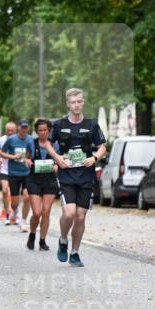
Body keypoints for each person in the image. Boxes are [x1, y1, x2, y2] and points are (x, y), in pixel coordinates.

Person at [48, 88, 107, 267]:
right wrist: (57, 158)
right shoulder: (59, 124)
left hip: (86, 176)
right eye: (73, 102)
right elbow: (48, 144)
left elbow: (102, 147)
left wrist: (94, 158)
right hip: (66, 174)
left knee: (80, 217)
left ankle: (74, 252)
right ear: (68, 104)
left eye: (79, 101)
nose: (76, 105)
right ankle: (63, 239)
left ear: (83, 102)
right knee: (69, 213)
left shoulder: (92, 124)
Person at [24, 118, 58, 251]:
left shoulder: (55, 145)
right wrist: (27, 161)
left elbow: (61, 160)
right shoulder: (31, 143)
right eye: (40, 130)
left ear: (49, 131)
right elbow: (26, 157)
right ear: (36, 131)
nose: (43, 132)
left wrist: (56, 166)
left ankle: (42, 240)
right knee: (37, 213)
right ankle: (32, 234)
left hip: (50, 180)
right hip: (34, 180)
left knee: (46, 212)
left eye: (45, 130)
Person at [0, 119, 33, 230]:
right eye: (22, 127)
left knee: (27, 197)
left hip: (27, 173)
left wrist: (30, 159)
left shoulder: (31, 139)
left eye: (26, 127)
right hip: (13, 173)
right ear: (18, 128)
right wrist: (13, 157)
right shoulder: (12, 139)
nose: (24, 129)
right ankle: (15, 210)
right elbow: (1, 153)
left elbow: (34, 153)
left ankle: (23, 221)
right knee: (14, 202)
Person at [0, 122, 16, 222]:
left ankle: (14, 213)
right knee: (4, 190)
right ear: (5, 130)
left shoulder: (18, 140)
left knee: (15, 193)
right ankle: (7, 212)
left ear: (15, 130)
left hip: (15, 169)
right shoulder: (0, 140)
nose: (10, 132)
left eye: (12, 130)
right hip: (4, 168)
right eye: (8, 130)